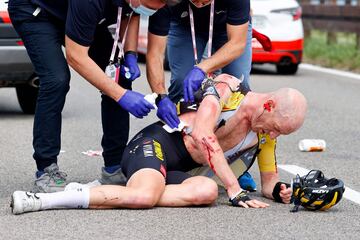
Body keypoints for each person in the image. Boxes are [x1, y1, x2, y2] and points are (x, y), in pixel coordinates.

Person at [10, 73, 307, 214]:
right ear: (268, 106)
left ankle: (104, 192)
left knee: (205, 191)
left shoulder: (264, 136)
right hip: (158, 143)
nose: (275, 136)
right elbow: (204, 134)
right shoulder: (228, 89)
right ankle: (51, 200)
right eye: (278, 129)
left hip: (180, 171)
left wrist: (284, 192)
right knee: (142, 199)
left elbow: (269, 182)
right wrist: (234, 188)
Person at [7, 0, 178, 193]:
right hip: (37, 12)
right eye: (150, 6)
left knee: (119, 76)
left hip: (76, 13)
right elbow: (76, 56)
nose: (151, 11)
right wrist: (122, 96)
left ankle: (114, 167)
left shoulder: (137, 3)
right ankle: (46, 168)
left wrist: (129, 53)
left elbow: (131, 13)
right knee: (56, 80)